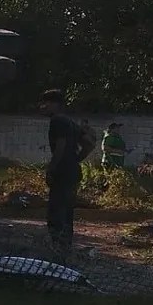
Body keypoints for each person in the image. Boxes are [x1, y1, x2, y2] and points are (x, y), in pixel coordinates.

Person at [38, 89, 95, 261]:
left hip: (62, 172)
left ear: (56, 104)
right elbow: (89, 143)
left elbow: (60, 146)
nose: (43, 107)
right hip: (72, 171)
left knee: (56, 211)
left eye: (46, 103)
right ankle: (65, 248)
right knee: (67, 211)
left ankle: (57, 250)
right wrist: (77, 159)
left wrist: (52, 168)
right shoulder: (71, 123)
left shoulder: (57, 121)